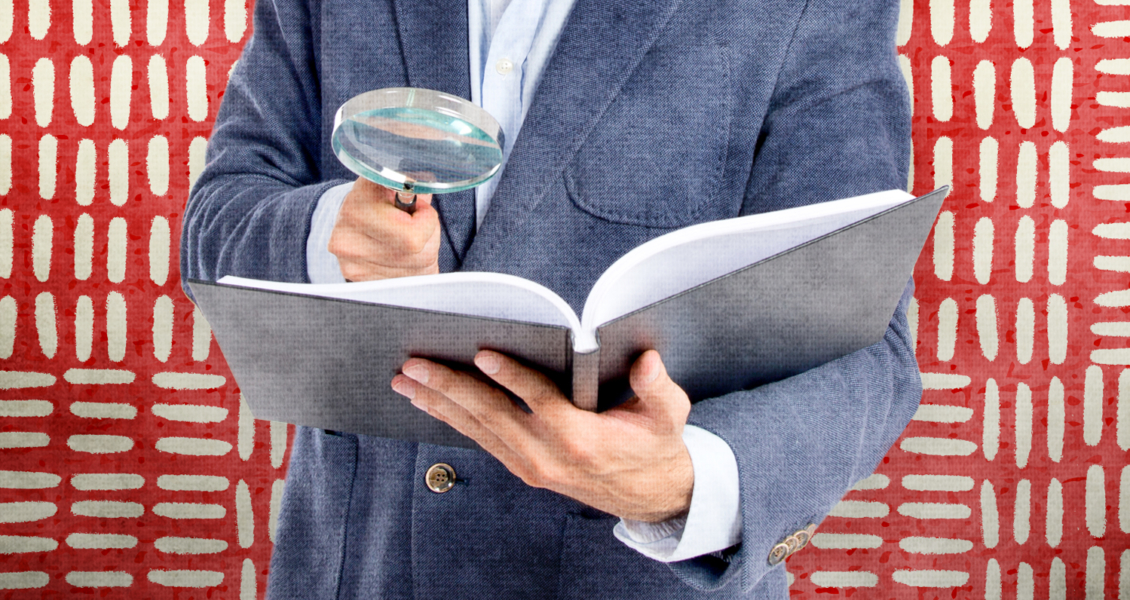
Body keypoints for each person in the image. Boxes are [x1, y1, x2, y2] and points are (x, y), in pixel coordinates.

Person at [180, 0, 921, 597]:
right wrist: (327, 234)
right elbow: (217, 225)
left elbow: (868, 346)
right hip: (354, 573)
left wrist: (687, 479)